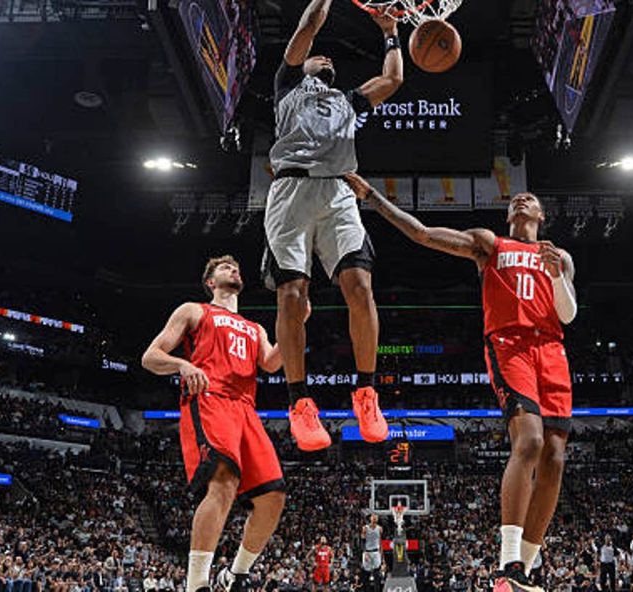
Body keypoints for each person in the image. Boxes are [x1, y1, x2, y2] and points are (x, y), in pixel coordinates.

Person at [344, 175, 578, 592]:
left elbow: (567, 315)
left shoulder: (557, 255)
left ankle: (523, 569)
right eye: (516, 200)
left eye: (531, 197)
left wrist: (557, 274)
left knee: (556, 458)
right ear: (509, 215)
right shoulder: (490, 244)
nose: (522, 198)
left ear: (541, 215)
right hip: (511, 345)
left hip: (553, 352)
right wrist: (374, 199)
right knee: (529, 442)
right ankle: (508, 561)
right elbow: (422, 233)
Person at [263, 0, 405, 451]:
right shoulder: (287, 85)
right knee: (291, 295)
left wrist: (390, 33)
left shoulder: (348, 102)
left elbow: (394, 79)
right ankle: (299, 401)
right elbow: (309, 23)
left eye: (329, 61)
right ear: (302, 65)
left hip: (339, 192)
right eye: (316, 57)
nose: (324, 58)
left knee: (360, 287)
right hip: (290, 191)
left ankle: (366, 392)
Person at [141, 256, 291, 592]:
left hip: (247, 410)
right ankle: (196, 584)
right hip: (211, 397)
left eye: (237, 267)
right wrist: (182, 365)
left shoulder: (255, 328)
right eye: (225, 268)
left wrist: (294, 326)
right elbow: (150, 357)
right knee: (223, 480)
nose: (234, 269)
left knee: (274, 497)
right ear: (210, 282)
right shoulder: (194, 310)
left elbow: (270, 363)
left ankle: (235, 575)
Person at [361, 514, 383, 587]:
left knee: (377, 573)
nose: (374, 519)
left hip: (376, 552)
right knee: (366, 573)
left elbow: (380, 542)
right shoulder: (365, 528)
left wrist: (382, 556)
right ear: (370, 518)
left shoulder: (380, 529)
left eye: (376, 518)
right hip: (367, 551)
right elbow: (362, 541)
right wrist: (365, 552)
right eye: (373, 517)